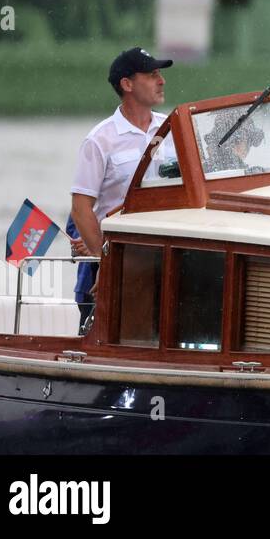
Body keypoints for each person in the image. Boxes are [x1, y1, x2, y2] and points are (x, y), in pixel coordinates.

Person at [67, 47, 173, 334]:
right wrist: (110, 264)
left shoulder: (173, 128)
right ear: (127, 85)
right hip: (120, 258)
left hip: (167, 258)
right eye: (152, 75)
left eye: (159, 74)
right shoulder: (100, 140)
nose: (161, 80)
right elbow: (80, 209)